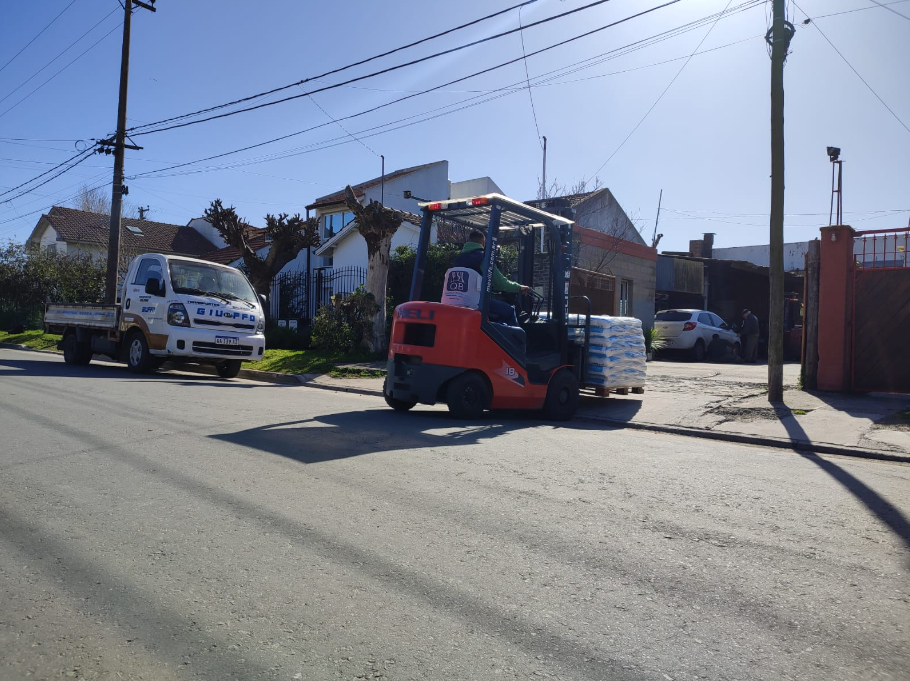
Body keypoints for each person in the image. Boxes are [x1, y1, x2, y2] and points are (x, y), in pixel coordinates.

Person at [453, 230, 529, 327]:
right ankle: (518, 342)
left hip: (455, 303)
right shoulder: (483, 258)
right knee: (509, 311)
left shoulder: (459, 259)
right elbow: (500, 283)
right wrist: (519, 287)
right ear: (483, 243)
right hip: (475, 303)